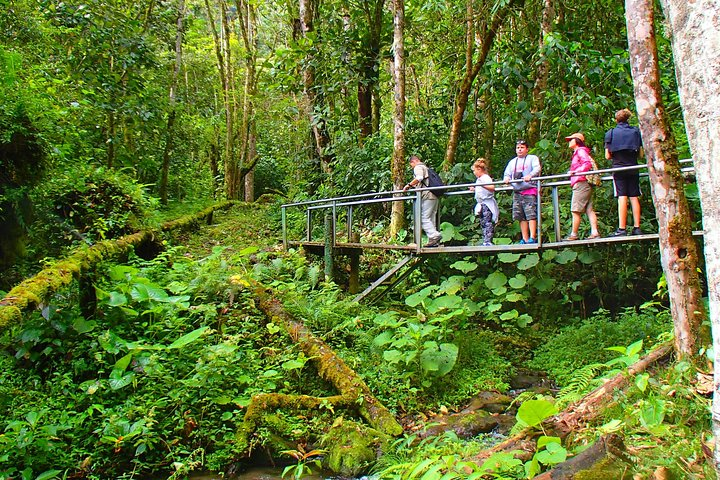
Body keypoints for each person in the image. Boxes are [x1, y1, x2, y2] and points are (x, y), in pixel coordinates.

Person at [605, 108, 643, 236]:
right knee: (634, 196)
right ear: (628, 119)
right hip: (633, 167)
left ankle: (622, 228)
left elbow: (607, 156)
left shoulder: (611, 133)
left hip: (619, 168)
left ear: (616, 119)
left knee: (622, 196)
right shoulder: (635, 132)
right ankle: (637, 227)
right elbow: (641, 153)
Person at [503, 140, 541, 244]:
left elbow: (537, 168)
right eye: (518, 148)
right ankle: (524, 238)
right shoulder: (512, 162)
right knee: (520, 216)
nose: (520, 149)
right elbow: (507, 173)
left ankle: (532, 237)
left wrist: (530, 175)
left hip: (529, 190)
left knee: (531, 214)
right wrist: (507, 179)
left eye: (522, 147)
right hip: (517, 191)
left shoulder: (532, 158)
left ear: (527, 149)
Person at [564, 133, 601, 240]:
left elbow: (587, 164)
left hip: (581, 182)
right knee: (589, 209)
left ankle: (574, 234)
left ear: (576, 141)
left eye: (571, 140)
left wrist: (575, 172)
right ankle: (595, 232)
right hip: (583, 182)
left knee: (575, 210)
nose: (569, 142)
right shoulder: (578, 152)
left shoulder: (580, 151)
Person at [403, 155, 443, 247]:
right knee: (430, 218)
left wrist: (409, 185)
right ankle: (433, 242)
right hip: (434, 195)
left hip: (428, 195)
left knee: (423, 218)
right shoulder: (426, 168)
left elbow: (419, 178)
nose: (412, 167)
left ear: (413, 162)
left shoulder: (418, 167)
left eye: (411, 165)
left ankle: (434, 235)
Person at [470, 158, 499, 246]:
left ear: (479, 169)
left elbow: (492, 188)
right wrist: (474, 189)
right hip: (481, 203)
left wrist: (482, 185)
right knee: (483, 223)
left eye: (474, 171)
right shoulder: (479, 179)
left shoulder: (485, 178)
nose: (474, 173)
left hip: (487, 203)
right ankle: (485, 240)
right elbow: (480, 190)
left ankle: (488, 241)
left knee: (487, 222)